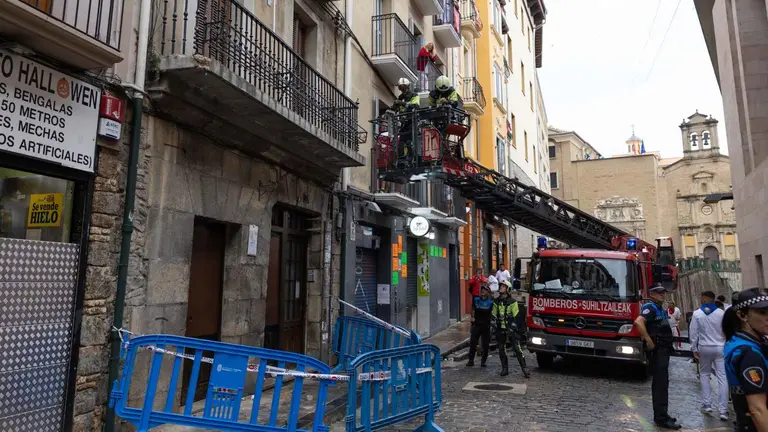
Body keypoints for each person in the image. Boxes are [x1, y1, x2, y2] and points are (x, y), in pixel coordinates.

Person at [634, 284, 682, 430]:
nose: (662, 295)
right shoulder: (651, 307)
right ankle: (661, 418)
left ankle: (663, 414)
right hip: (658, 351)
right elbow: (638, 322)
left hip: (663, 350)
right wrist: (649, 341)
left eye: (663, 292)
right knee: (660, 384)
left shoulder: (660, 308)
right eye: (659, 293)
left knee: (663, 383)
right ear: (652, 294)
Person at [723, 287, 768, 431]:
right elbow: (757, 410)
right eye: (762, 312)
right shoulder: (749, 354)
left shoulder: (739, 341)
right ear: (742, 315)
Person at [689, 290, 728, 421]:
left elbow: (693, 333)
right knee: (722, 377)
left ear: (705, 298)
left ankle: (707, 404)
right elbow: (726, 331)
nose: (700, 299)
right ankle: (723, 410)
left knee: (705, 374)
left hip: (704, 347)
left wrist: (694, 348)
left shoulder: (697, 314)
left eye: (701, 297)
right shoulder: (721, 313)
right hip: (720, 347)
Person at [492, 281, 530, 378]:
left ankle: (524, 368)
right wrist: (494, 323)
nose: (501, 287)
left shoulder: (513, 302)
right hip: (500, 328)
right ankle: (504, 368)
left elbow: (516, 316)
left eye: (503, 286)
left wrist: (513, 326)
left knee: (517, 348)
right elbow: (494, 314)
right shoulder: (496, 301)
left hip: (511, 329)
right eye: (501, 286)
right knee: (501, 349)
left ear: (508, 289)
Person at [467, 286, 493, 367]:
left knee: (485, 345)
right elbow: (473, 308)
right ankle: (471, 360)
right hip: (477, 324)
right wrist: (472, 317)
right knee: (473, 343)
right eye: (482, 290)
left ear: (488, 292)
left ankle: (483, 361)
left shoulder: (490, 302)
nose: (482, 291)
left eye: (485, 290)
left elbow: (493, 313)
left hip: (486, 326)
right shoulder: (476, 300)